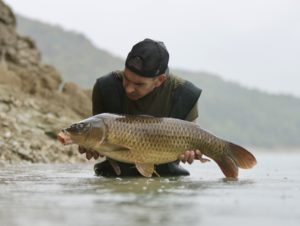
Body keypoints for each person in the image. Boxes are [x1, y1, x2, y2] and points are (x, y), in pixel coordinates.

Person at [79, 38, 202, 177]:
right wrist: (91, 145)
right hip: (116, 175)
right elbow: (98, 136)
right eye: (126, 78)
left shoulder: (184, 94)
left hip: (166, 178)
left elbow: (194, 138)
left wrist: (192, 152)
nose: (129, 89)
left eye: (139, 84)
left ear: (160, 80)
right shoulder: (106, 87)